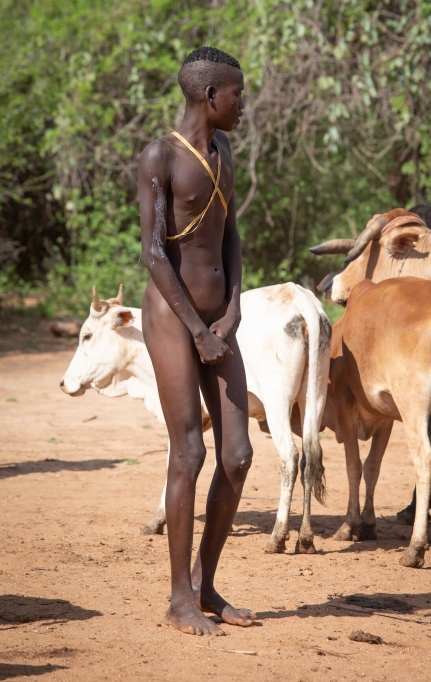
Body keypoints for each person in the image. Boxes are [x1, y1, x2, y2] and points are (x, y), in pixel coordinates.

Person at [138, 46, 254, 636]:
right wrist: (196, 330)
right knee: (190, 452)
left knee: (237, 455)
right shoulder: (160, 156)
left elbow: (230, 234)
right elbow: (154, 252)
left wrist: (232, 310)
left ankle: (207, 584)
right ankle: (179, 597)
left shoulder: (225, 151)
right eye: (237, 93)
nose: (243, 103)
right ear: (211, 96)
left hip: (218, 322)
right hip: (171, 319)